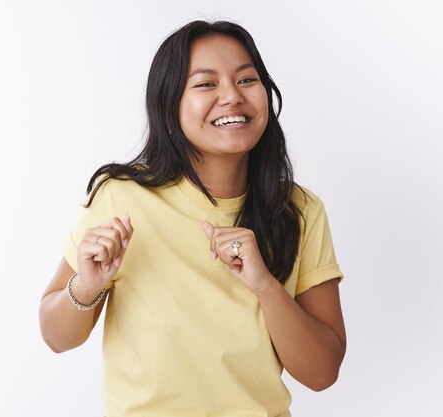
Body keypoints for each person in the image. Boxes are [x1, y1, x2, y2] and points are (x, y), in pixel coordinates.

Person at [39, 20, 346, 417]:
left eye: (246, 79)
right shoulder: (121, 196)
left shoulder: (300, 210)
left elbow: (322, 372)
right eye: (206, 84)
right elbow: (55, 337)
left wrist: (265, 286)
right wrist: (87, 285)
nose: (232, 97)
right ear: (170, 106)